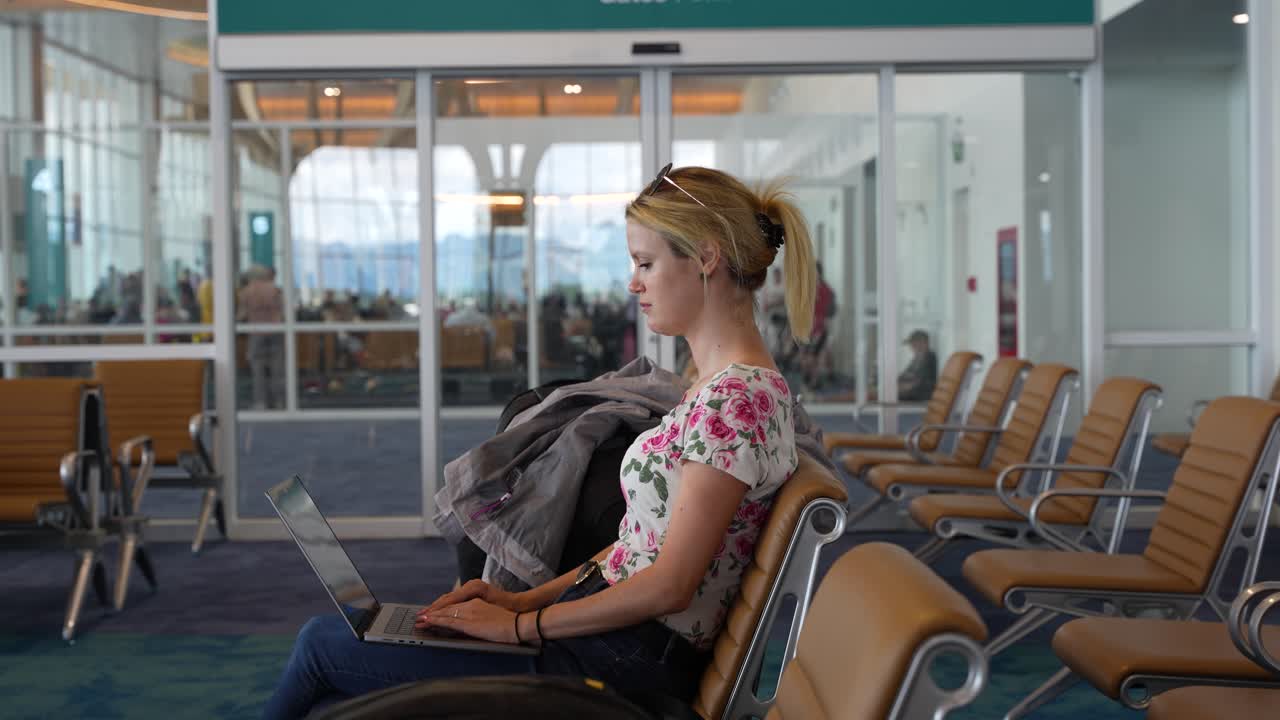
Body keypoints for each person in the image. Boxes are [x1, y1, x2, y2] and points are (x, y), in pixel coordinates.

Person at [262, 164, 818, 719]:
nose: (633, 283)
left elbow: (670, 585)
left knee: (320, 650)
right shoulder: (719, 390)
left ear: (706, 257)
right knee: (341, 683)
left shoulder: (739, 401)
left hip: (619, 660)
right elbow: (637, 546)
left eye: (646, 263)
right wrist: (516, 599)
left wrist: (520, 626)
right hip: (610, 636)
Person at [237, 265, 285, 409]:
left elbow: (242, 315)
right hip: (276, 331)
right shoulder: (276, 290)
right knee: (278, 369)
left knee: (258, 370)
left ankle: (260, 402)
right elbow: (283, 312)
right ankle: (279, 402)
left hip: (256, 333)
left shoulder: (246, 292)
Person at [897, 329, 939, 402]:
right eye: (911, 344)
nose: (911, 347)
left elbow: (921, 381)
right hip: (913, 394)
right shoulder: (917, 358)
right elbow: (905, 375)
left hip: (921, 397)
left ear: (923, 343)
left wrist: (903, 387)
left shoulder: (930, 357)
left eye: (913, 343)